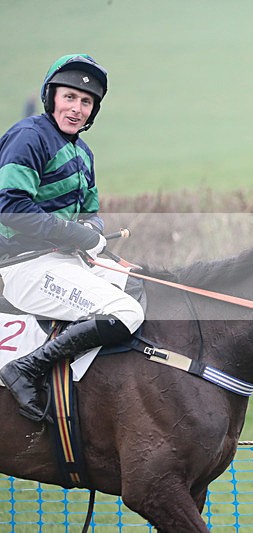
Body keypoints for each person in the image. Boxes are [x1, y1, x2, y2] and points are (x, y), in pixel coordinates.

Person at [0, 54, 144, 422]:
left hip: (65, 261)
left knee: (142, 287)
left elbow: (89, 213)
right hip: (24, 265)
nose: (76, 108)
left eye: (86, 102)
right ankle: (25, 369)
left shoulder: (83, 151)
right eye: (69, 97)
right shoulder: (28, 136)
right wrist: (76, 235)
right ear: (51, 98)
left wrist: (92, 231)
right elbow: (11, 207)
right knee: (124, 312)